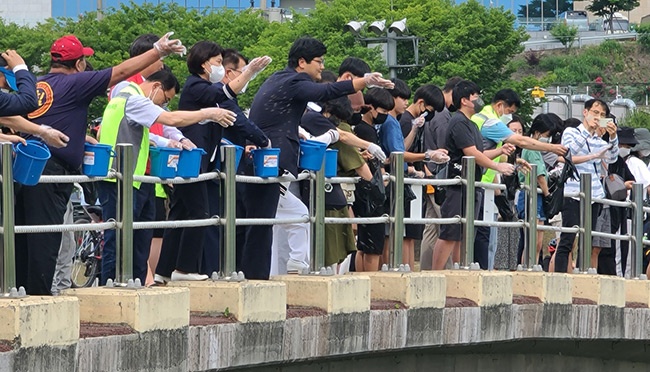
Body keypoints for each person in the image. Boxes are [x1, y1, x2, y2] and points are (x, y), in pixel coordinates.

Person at [14, 33, 186, 295]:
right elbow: (121, 71)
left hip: (25, 165)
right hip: (51, 170)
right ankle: (37, 297)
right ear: (80, 64)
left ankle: (20, 292)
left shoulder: (39, 85)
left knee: (24, 236)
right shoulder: (75, 83)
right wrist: (157, 51)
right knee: (45, 238)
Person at [241, 37, 393, 280]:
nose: (322, 67)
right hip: (273, 161)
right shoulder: (295, 81)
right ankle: (264, 275)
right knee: (269, 223)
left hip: (265, 159)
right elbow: (327, 91)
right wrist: (364, 81)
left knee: (275, 221)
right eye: (318, 62)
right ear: (302, 62)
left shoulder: (280, 78)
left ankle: (276, 271)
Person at [98, 69, 236, 284]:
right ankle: (112, 286)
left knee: (139, 240)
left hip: (137, 179)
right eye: (165, 99)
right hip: (120, 179)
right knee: (119, 240)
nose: (162, 105)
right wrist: (208, 113)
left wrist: (176, 140)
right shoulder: (134, 99)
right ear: (156, 87)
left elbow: (162, 129)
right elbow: (171, 119)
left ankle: (135, 284)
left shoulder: (122, 92)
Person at [155, 41, 270, 282]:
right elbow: (225, 92)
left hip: (199, 160)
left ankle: (164, 272)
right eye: (217, 62)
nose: (220, 67)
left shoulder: (203, 87)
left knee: (181, 213)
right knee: (200, 212)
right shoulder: (197, 86)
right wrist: (250, 72)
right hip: (193, 160)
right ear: (204, 63)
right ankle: (185, 270)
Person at [472, 89, 567, 269]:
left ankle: (483, 269)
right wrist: (553, 148)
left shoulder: (482, 117)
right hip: (480, 181)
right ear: (500, 105)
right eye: (509, 112)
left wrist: (515, 161)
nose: (510, 117)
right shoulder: (490, 121)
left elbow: (491, 153)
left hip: (485, 182)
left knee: (484, 233)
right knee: (481, 234)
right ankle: (480, 271)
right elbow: (521, 142)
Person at [431, 80, 515, 270]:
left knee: (463, 233)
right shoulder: (459, 122)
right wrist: (497, 166)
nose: (479, 101)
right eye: (475, 97)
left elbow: (479, 153)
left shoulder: (472, 124)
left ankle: (461, 270)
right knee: (450, 232)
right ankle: (435, 274)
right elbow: (471, 153)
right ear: (464, 101)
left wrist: (500, 153)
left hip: (471, 184)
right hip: (457, 184)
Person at [554, 99, 619, 273]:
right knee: (568, 237)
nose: (598, 117)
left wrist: (613, 137)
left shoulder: (598, 139)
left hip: (595, 194)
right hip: (573, 192)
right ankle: (560, 278)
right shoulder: (571, 132)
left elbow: (611, 158)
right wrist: (588, 132)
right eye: (595, 113)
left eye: (602, 115)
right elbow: (569, 152)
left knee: (587, 240)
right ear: (585, 112)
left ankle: (582, 276)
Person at [516, 115, 553, 266]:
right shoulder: (531, 148)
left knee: (537, 242)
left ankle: (533, 266)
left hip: (537, 195)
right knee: (532, 240)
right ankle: (527, 268)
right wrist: (548, 194)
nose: (548, 139)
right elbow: (539, 175)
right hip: (532, 194)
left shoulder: (535, 149)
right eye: (547, 135)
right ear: (538, 132)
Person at [607, 126, 637, 277]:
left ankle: (618, 275)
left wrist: (619, 185)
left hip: (619, 209)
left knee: (619, 245)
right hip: (605, 207)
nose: (623, 149)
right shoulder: (599, 156)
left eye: (627, 147)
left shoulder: (620, 161)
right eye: (621, 145)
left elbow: (632, 181)